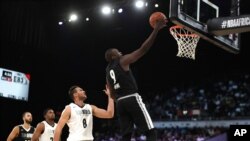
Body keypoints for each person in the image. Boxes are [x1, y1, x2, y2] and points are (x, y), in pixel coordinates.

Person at [105, 19, 166, 141]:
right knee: (150, 131)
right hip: (132, 98)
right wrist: (156, 29)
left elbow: (111, 94)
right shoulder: (122, 61)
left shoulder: (107, 70)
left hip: (120, 103)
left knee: (126, 136)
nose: (120, 52)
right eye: (118, 52)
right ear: (113, 56)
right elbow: (143, 49)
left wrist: (117, 98)